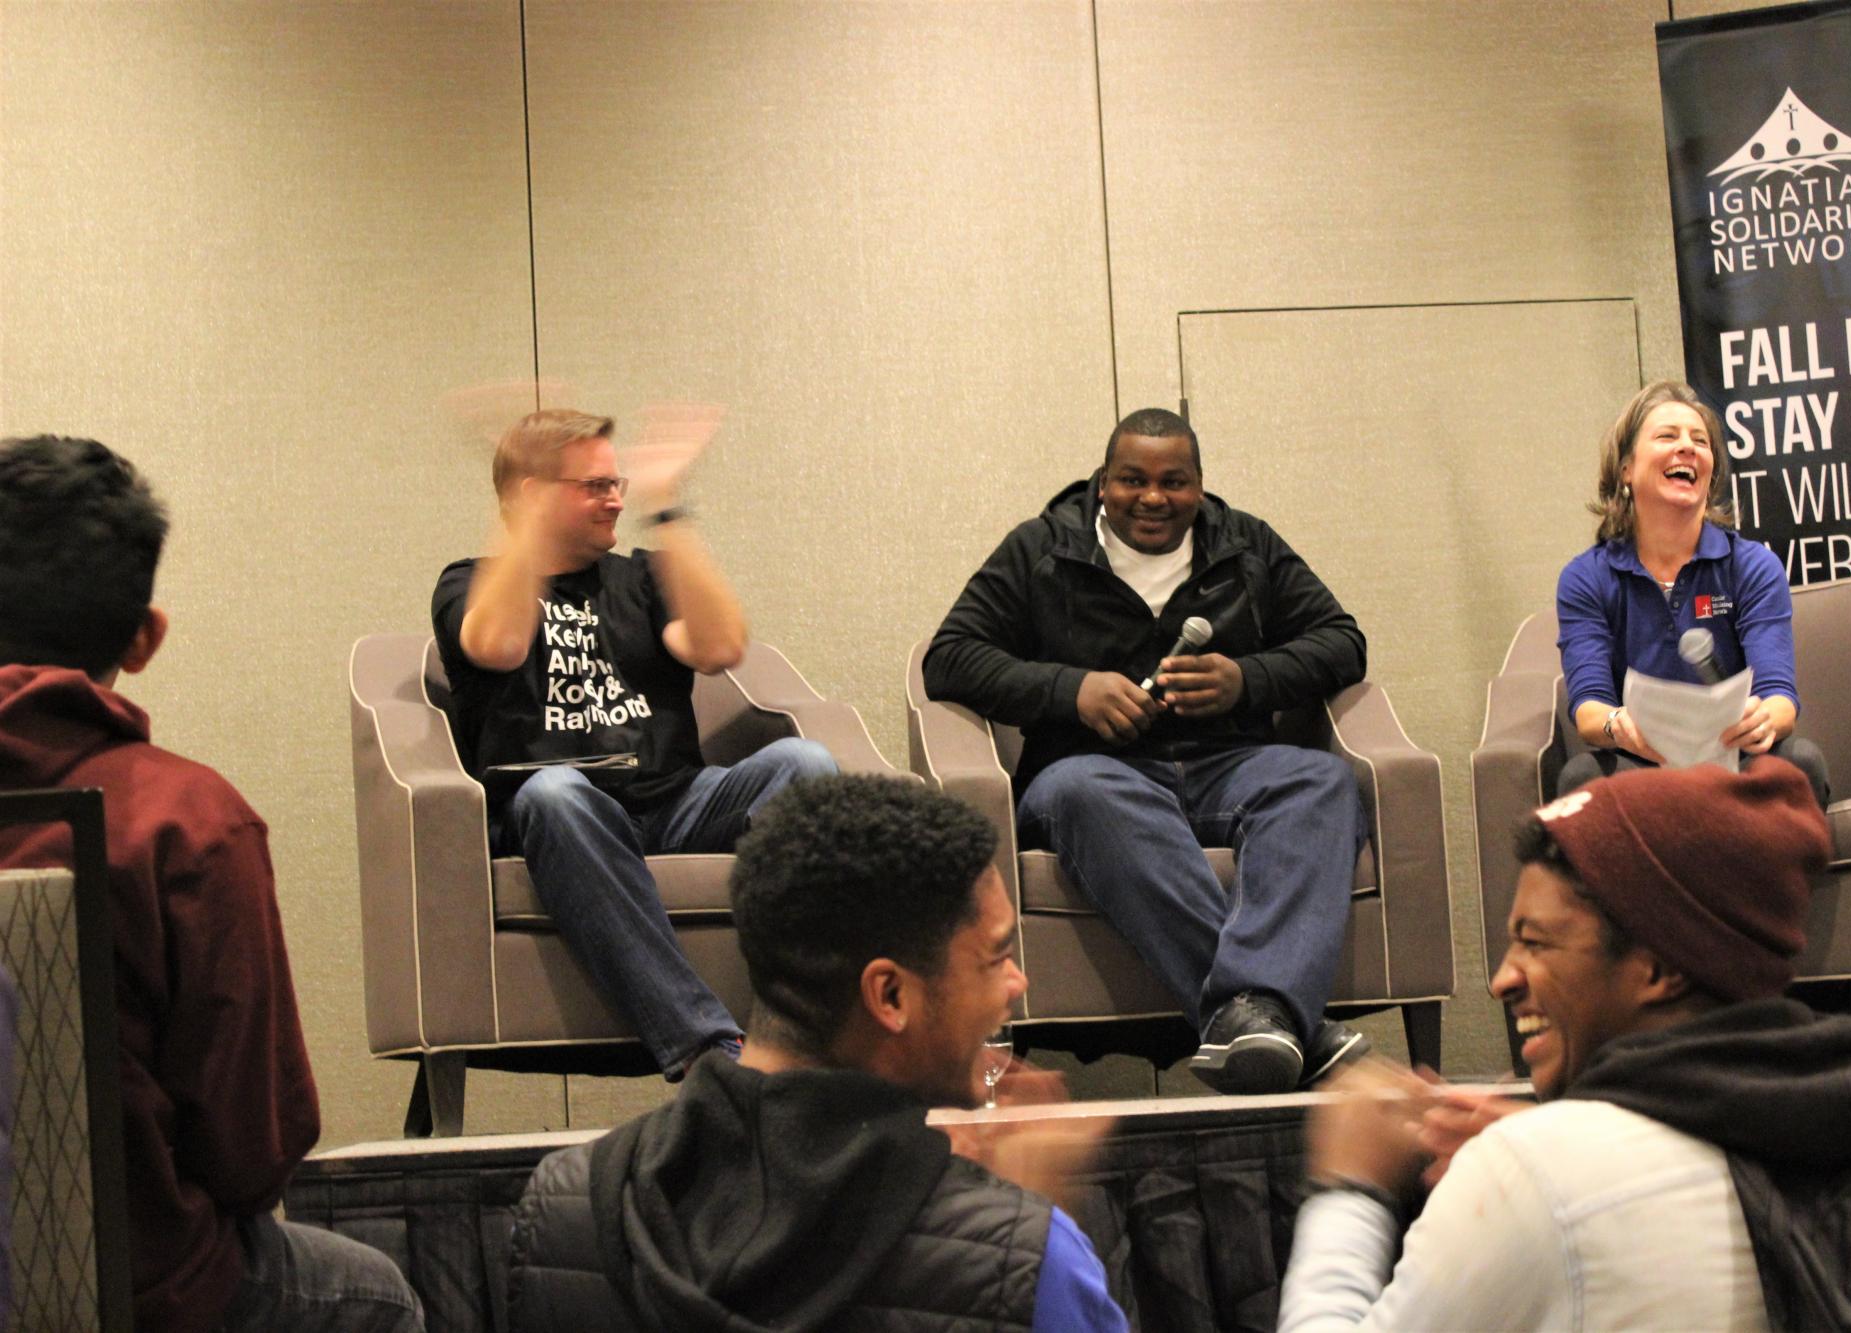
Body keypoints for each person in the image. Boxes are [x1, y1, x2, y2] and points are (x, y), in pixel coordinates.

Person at [1279, 759, 1851, 1331]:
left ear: (1662, 966)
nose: (1502, 979)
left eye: (1535, 941)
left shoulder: (1536, 1172)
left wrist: (1350, 1188)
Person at [0, 435, 422, 1332]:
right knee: (376, 1295)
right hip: (139, 1292)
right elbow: (252, 1152)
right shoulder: (184, 820)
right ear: (146, 638)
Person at [506, 774, 1128, 1332]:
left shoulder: (562, 1204)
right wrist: (1021, 1242)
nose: (1016, 983)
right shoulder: (1024, 1256)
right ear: (889, 994)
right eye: (994, 956)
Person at [923, 407, 1370, 1094]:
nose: (1154, 498)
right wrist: (1072, 691)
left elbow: (1341, 641)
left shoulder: (1246, 545)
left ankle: (1258, 1016)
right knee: (1084, 791)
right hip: (1091, 771)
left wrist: (1245, 680)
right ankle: (1283, 1019)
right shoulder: (1042, 548)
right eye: (1133, 479)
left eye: (1174, 481)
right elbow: (950, 658)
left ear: (1200, 486)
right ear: (1103, 482)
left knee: (1319, 781)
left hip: (1229, 765)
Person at [431, 406, 835, 1079]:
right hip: (565, 820)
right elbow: (496, 645)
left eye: (618, 481)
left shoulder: (642, 578)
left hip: (675, 801)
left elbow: (720, 646)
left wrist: (668, 507)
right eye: (594, 485)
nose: (615, 496)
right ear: (533, 495)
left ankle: (814, 1030)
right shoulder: (467, 581)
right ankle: (709, 1051)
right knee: (554, 791)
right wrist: (527, 534)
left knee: (805, 764)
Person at [1555, 380, 1830, 805]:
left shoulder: (1752, 565)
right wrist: (1618, 725)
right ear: (1626, 468)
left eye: (1699, 441)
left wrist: (1763, 721)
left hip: (1735, 760)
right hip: (1642, 766)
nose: (1687, 448)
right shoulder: (1586, 577)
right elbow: (1590, 709)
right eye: (1667, 436)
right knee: (1580, 779)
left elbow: (1780, 699)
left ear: (1710, 471)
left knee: (1801, 763)